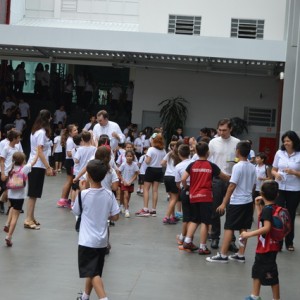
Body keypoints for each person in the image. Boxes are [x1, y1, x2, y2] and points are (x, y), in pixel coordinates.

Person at [72, 160, 120, 300]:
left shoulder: (83, 195)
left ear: (89, 177)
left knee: (92, 272)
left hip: (87, 241)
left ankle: (103, 298)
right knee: (94, 270)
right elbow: (116, 216)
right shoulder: (109, 194)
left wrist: (81, 191)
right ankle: (85, 296)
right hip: (102, 240)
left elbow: (76, 211)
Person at [206, 141, 256, 263]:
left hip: (237, 202)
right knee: (243, 228)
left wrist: (223, 203)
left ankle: (223, 255)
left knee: (229, 227)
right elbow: (254, 185)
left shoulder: (237, 166)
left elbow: (231, 186)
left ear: (237, 151)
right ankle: (240, 254)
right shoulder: (252, 167)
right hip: (248, 201)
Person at [180, 142, 229, 254]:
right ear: (208, 152)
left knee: (194, 219)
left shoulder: (192, 165)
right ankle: (202, 247)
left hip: (193, 196)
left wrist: (188, 187)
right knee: (205, 222)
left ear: (196, 152)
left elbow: (183, 178)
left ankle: (187, 241)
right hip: (206, 197)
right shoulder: (211, 166)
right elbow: (224, 177)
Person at [241, 180, 281, 300]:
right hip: (268, 246)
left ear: (262, 194)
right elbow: (262, 220)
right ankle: (254, 295)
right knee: (257, 271)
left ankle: (276, 298)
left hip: (267, 248)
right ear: (277, 195)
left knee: (272, 275)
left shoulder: (268, 210)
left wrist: (248, 234)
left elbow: (266, 228)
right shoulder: (273, 208)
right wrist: (258, 206)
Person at [208, 118, 240, 251]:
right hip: (217, 179)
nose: (221, 132)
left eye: (224, 130)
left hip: (232, 179)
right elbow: (209, 161)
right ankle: (215, 237)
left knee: (231, 211)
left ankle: (231, 240)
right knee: (216, 209)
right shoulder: (213, 142)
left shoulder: (237, 142)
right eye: (219, 130)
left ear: (230, 129)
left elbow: (240, 161)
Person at [24, 110, 54, 230]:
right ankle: (27, 219)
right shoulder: (41, 133)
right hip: (37, 165)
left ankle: (31, 217)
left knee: (34, 194)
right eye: (50, 118)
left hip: (36, 165)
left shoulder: (35, 131)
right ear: (47, 119)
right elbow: (40, 151)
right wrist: (48, 167)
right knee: (32, 194)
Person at [271, 130, 300, 251]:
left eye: (288, 141)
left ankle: (289, 242)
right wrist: (276, 174)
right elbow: (273, 169)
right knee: (278, 214)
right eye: (284, 141)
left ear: (294, 141)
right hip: (280, 188)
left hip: (294, 189)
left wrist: (294, 172)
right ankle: (278, 241)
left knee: (290, 215)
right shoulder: (279, 153)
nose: (286, 143)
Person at [3, 151, 38, 246]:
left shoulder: (11, 168)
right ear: (23, 161)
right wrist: (38, 153)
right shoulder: (24, 169)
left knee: (12, 208)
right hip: (19, 197)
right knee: (15, 217)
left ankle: (7, 223)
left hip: (11, 195)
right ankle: (9, 236)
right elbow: (34, 162)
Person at [135, 133, 166, 217]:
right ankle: (154, 210)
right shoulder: (163, 150)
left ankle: (145, 209)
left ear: (154, 140)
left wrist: (146, 160)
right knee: (155, 190)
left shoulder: (151, 149)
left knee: (146, 189)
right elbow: (164, 163)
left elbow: (147, 161)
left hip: (151, 169)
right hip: (159, 170)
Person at [57, 124, 78, 208]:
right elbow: (69, 153)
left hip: (71, 161)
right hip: (70, 162)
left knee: (70, 181)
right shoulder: (70, 141)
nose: (77, 131)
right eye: (74, 130)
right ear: (70, 132)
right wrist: (77, 153)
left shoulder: (72, 140)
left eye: (76, 130)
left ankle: (65, 199)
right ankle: (62, 199)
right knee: (69, 181)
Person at [161, 141, 181, 224]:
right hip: (174, 177)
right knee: (174, 198)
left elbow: (162, 163)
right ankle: (167, 216)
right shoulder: (181, 155)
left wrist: (169, 166)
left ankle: (172, 217)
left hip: (166, 177)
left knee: (171, 198)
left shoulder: (169, 154)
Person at [117, 149, 139, 218]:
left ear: (133, 157)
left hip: (130, 183)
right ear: (125, 157)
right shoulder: (123, 164)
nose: (129, 157)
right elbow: (118, 172)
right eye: (127, 156)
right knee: (125, 195)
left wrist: (131, 181)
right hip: (124, 183)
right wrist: (123, 180)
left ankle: (125, 205)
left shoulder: (134, 165)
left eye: (130, 156)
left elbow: (137, 173)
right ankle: (127, 210)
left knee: (128, 196)